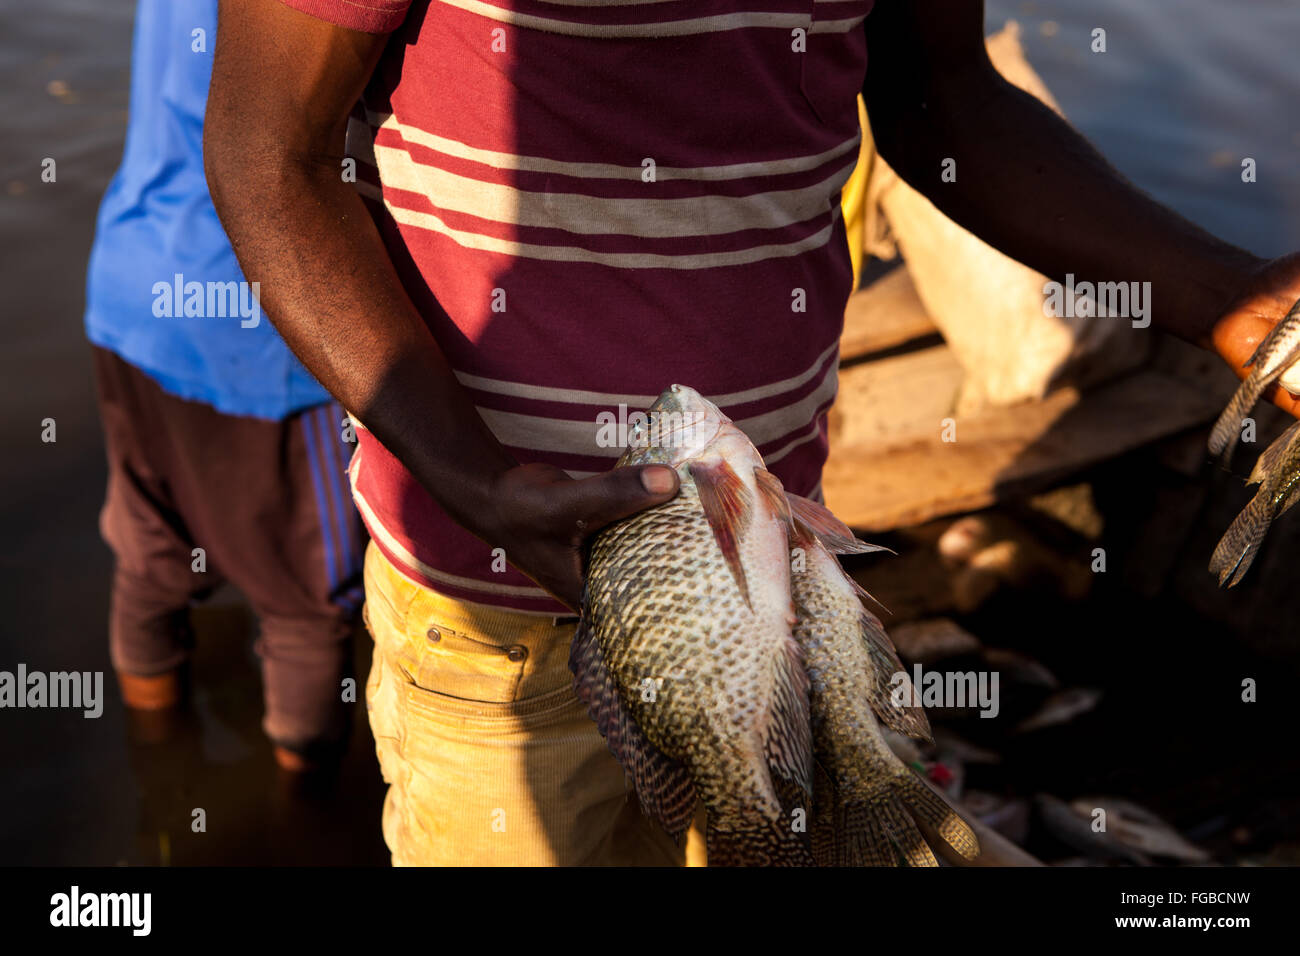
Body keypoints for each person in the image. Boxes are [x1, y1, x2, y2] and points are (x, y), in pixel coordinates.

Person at [203, 0, 1300, 863]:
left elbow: (944, 99)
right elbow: (267, 154)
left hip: (781, 567)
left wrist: (1227, 297)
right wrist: (475, 478)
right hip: (488, 601)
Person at [86, 0, 364, 772]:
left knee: (149, 558)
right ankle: (301, 816)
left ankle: (156, 770)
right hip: (255, 332)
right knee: (307, 603)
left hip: (129, 286)